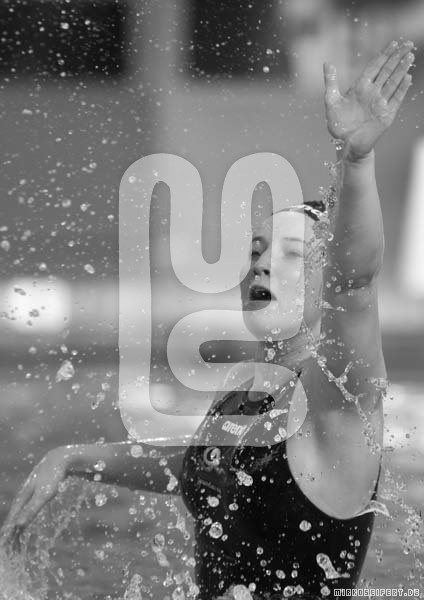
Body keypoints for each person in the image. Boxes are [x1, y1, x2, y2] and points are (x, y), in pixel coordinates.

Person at [0, 40, 415, 599]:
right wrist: (75, 458)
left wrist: (356, 161)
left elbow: (355, 283)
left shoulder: (341, 395)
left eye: (292, 254)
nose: (262, 263)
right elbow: (205, 467)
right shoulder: (254, 390)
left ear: (326, 279)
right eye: (256, 250)